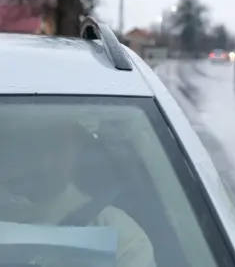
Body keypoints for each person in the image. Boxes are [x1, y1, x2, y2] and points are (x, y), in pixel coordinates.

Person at [0, 111, 156, 267]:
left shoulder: (121, 237)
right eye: (26, 143)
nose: (44, 161)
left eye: (54, 144)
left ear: (75, 147)